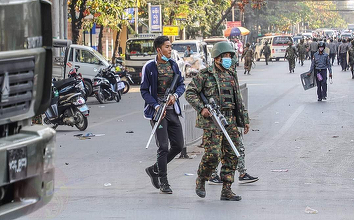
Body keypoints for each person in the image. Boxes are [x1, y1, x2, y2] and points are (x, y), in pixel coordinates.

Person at [185, 41, 257, 201]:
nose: (228, 59)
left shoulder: (231, 75)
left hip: (230, 119)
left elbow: (238, 99)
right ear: (217, 57)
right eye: (225, 56)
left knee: (232, 155)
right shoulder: (205, 75)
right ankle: (202, 179)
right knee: (213, 154)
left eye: (230, 56)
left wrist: (244, 119)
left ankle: (227, 189)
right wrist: (202, 108)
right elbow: (190, 93)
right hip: (212, 121)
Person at [141, 36, 185, 194]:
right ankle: (164, 181)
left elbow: (181, 84)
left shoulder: (174, 65)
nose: (170, 49)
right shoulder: (149, 67)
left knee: (179, 145)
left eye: (170, 46)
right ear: (159, 49)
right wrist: (157, 105)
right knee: (164, 147)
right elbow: (144, 91)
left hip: (173, 110)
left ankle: (154, 169)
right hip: (157, 113)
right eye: (167, 47)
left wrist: (175, 96)